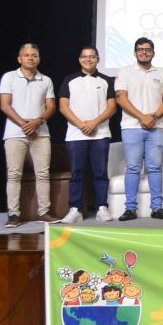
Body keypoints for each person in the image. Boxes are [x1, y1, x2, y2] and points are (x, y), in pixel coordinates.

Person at [0, 43, 58, 228]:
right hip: (15, 133)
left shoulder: (45, 80)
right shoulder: (9, 77)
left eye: (34, 55)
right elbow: (5, 105)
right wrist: (25, 124)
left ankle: (44, 212)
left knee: (42, 173)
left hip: (41, 133)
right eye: (27, 55)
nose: (31, 58)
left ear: (38, 59)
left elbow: (51, 107)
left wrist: (37, 122)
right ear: (19, 58)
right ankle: (13, 214)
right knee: (14, 174)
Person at [114, 37, 163, 221]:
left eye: (148, 50)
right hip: (132, 127)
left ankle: (157, 207)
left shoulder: (162, 73)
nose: (144, 52)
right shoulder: (125, 72)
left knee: (155, 168)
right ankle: (130, 208)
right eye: (140, 49)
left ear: (153, 53)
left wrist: (153, 117)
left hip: (157, 127)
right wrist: (142, 117)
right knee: (133, 168)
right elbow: (121, 98)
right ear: (135, 52)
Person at [57, 46, 117, 224]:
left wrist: (93, 123)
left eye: (92, 57)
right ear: (79, 59)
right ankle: (75, 209)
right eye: (85, 57)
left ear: (98, 59)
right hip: (76, 135)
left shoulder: (106, 80)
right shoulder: (69, 80)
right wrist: (81, 125)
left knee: (100, 173)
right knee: (77, 174)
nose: (88, 59)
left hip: (100, 134)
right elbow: (63, 107)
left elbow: (112, 107)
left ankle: (101, 208)